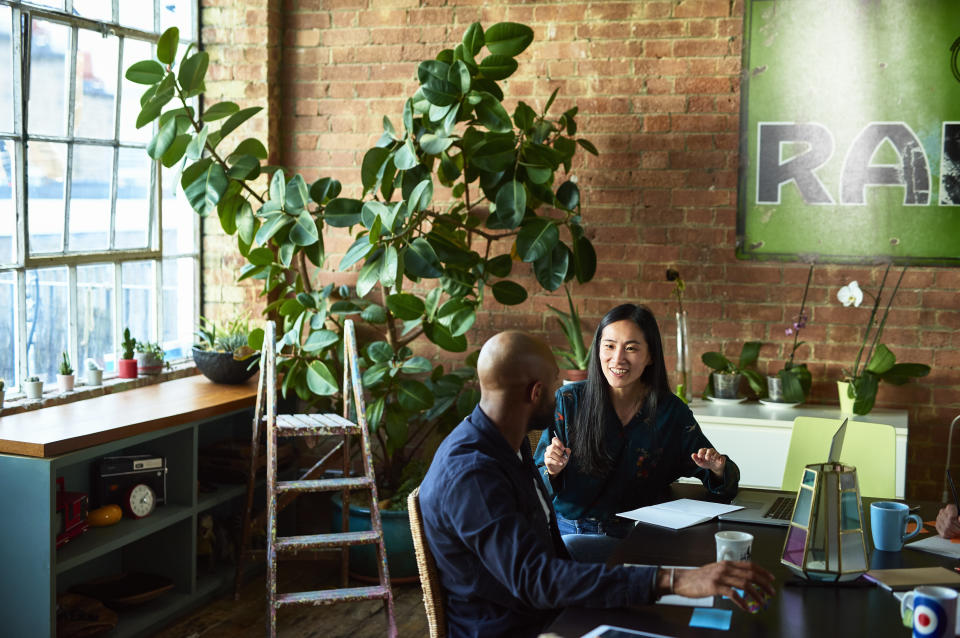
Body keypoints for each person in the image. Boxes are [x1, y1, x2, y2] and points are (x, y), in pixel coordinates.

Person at [418, 330, 775, 638]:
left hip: (546, 607)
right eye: (556, 381)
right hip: (518, 627)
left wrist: (667, 577)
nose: (563, 388)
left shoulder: (504, 440)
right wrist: (674, 582)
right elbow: (536, 580)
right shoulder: (473, 474)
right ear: (536, 392)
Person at [534, 304, 740, 559]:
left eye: (631, 348)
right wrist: (552, 470)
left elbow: (720, 480)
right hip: (572, 536)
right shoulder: (569, 401)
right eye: (609, 346)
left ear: (651, 355)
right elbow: (534, 484)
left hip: (644, 537)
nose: (618, 358)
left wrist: (717, 469)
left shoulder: (670, 411)